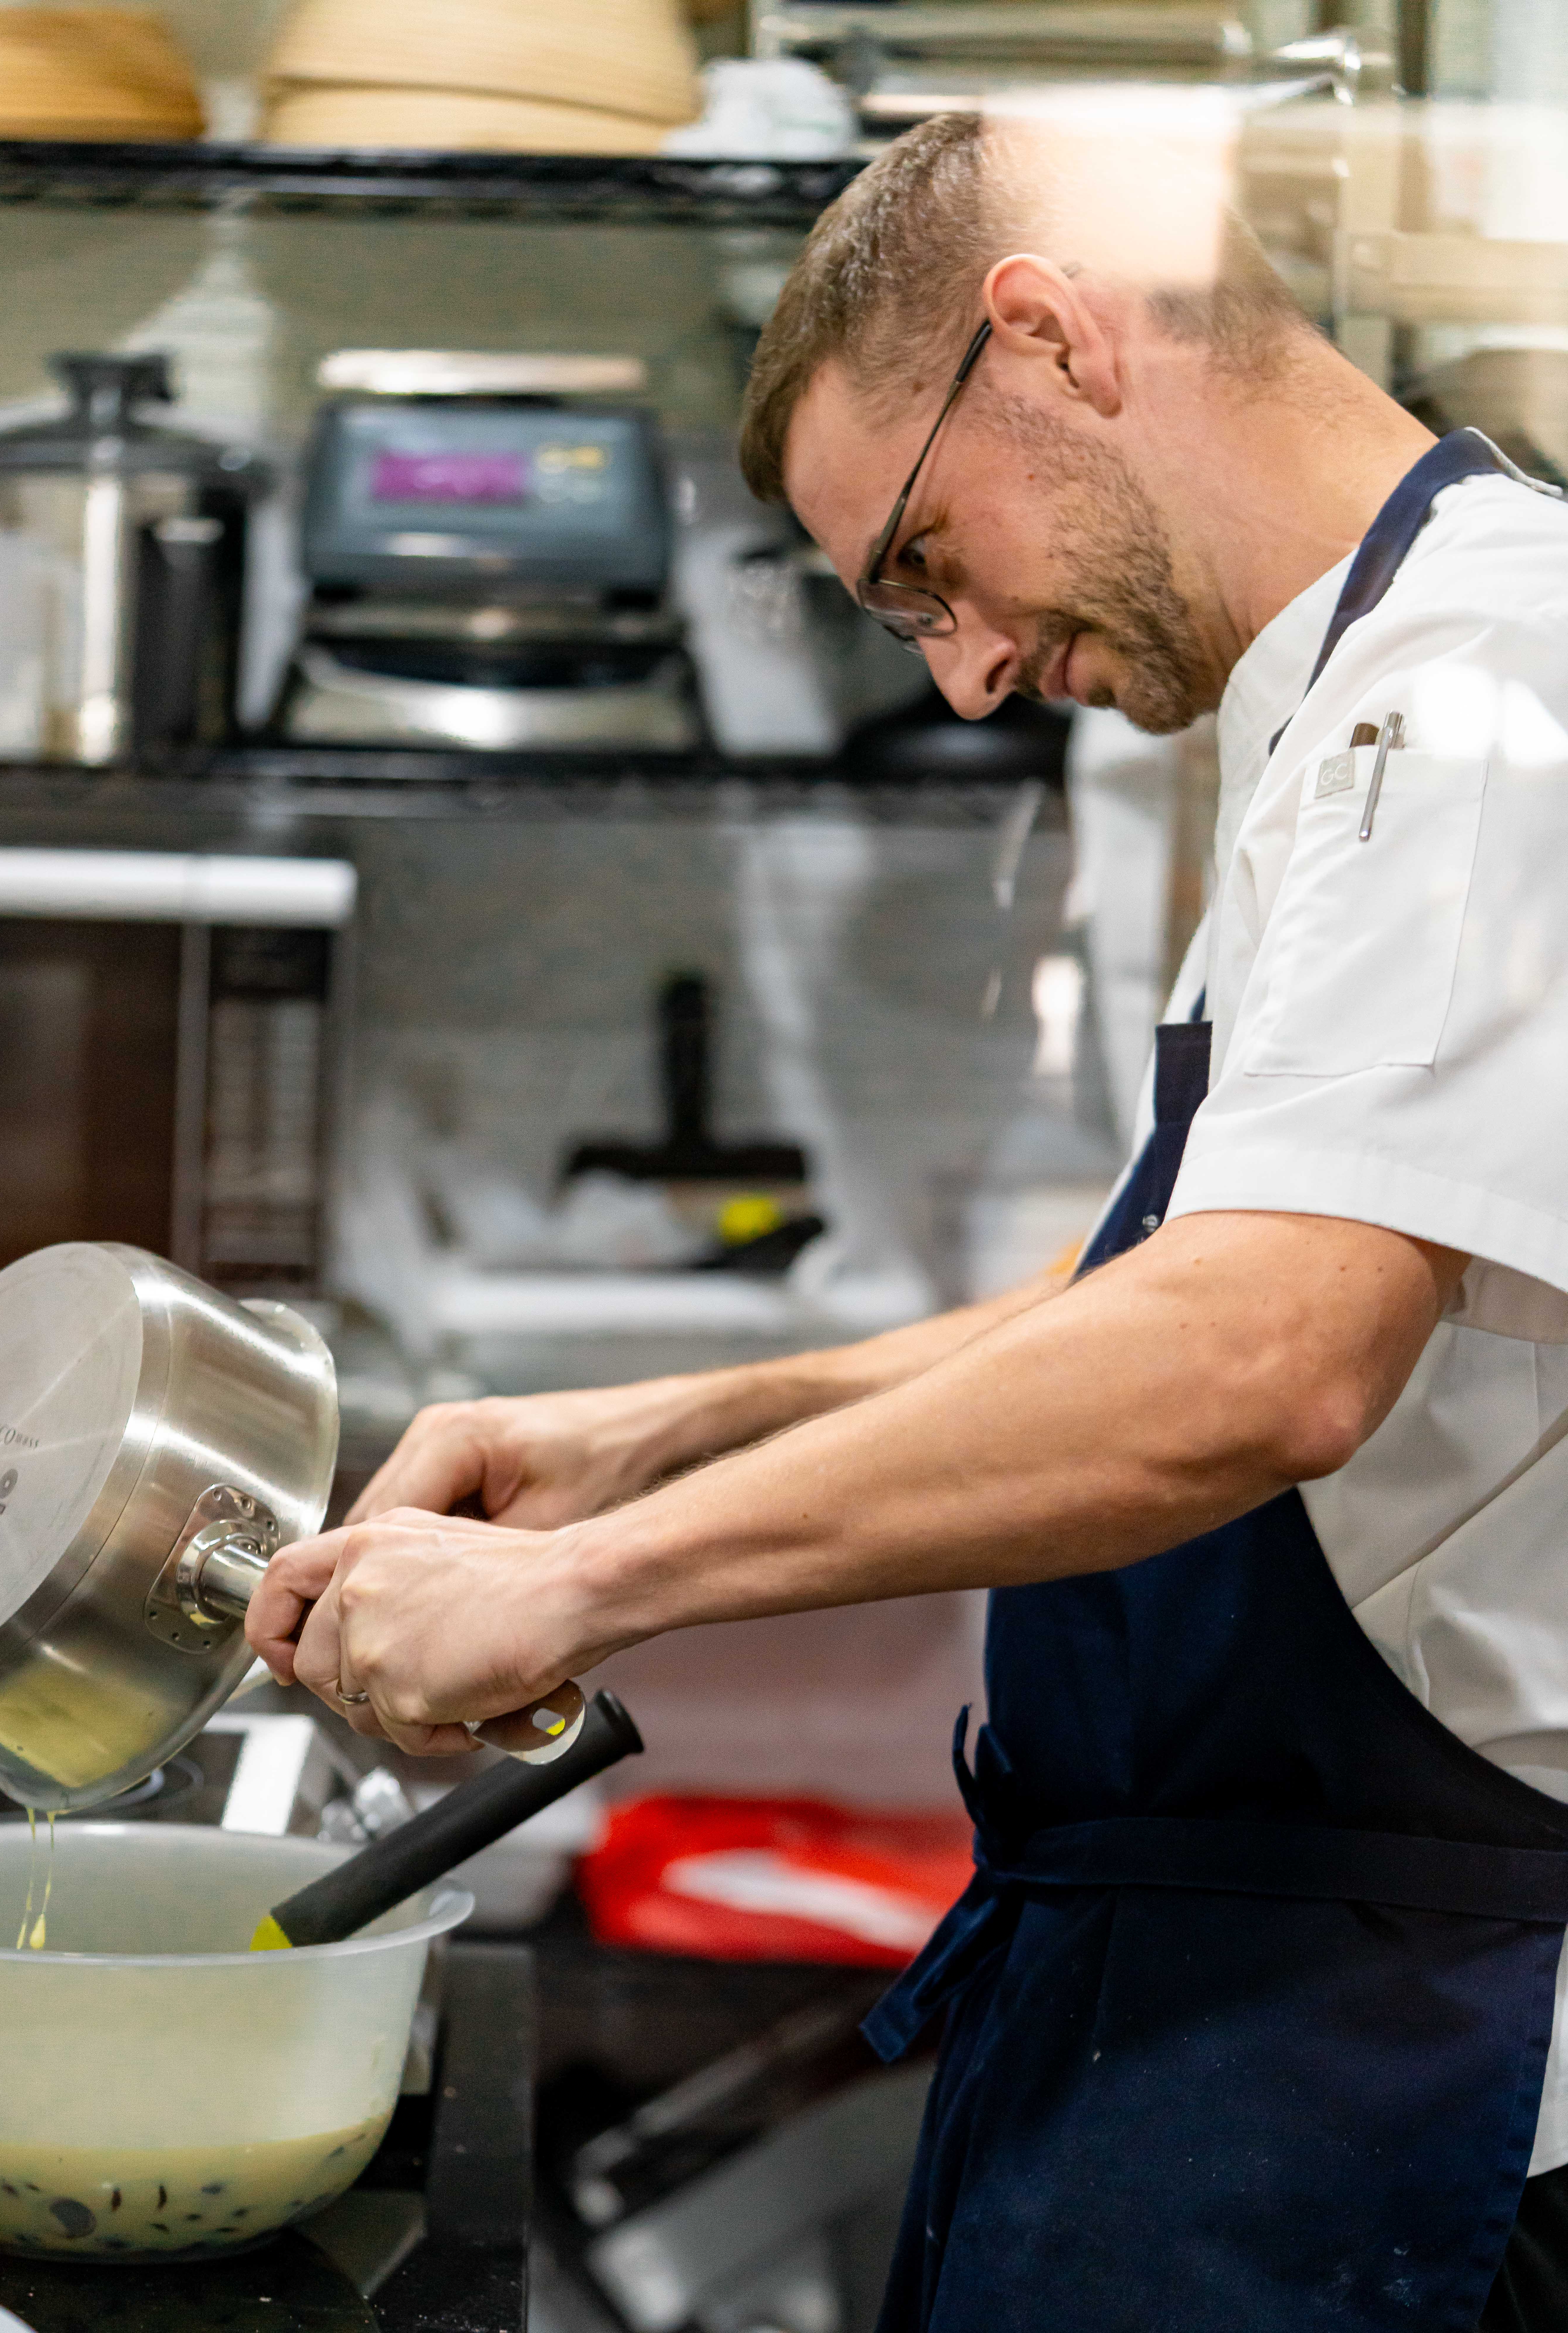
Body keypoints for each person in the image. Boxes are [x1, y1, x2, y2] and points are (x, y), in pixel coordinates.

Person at [246, 110, 1568, 2330]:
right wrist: (663, 1430)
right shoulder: (1347, 696)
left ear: (1044, 340)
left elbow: (1266, 1351)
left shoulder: (1478, 704)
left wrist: (586, 1585)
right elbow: (1162, 1276)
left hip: (1404, 2061)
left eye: (927, 560)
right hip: (1240, 1987)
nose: (960, 671)